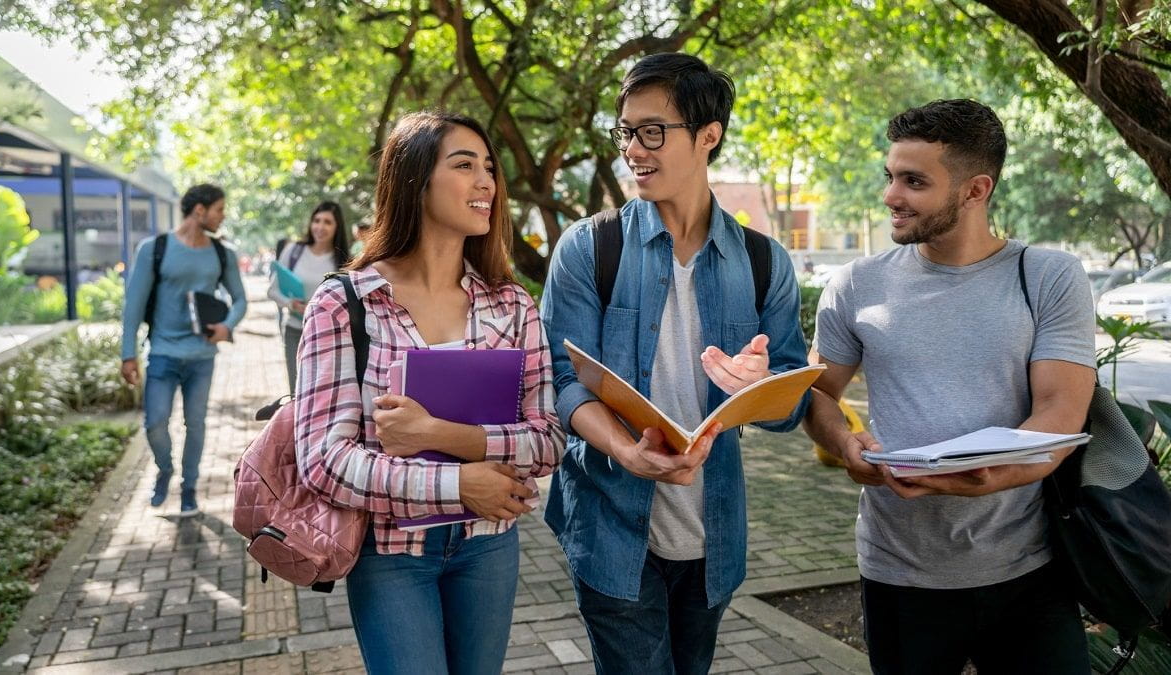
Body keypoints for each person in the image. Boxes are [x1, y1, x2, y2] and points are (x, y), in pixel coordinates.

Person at [540, 53, 810, 675]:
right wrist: (627, 451)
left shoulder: (765, 263)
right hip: (610, 524)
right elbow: (558, 380)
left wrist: (762, 387)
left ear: (708, 135)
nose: (634, 148)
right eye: (626, 132)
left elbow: (790, 407)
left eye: (652, 131)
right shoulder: (589, 247)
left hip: (712, 536)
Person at [804, 99, 1095, 674]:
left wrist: (990, 476)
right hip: (899, 571)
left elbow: (1061, 412)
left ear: (974, 189)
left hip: (1028, 571)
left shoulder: (1048, 277)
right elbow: (816, 393)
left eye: (914, 181)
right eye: (890, 176)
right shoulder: (857, 283)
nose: (891, 195)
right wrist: (844, 444)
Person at [294, 111, 565, 675]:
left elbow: (548, 441)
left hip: (488, 545)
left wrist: (440, 436)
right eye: (464, 165)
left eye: (489, 167)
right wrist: (459, 482)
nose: (486, 182)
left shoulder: (511, 304)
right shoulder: (345, 304)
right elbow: (323, 461)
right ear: (414, 180)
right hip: (391, 554)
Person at [121, 183, 248, 516]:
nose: (223, 216)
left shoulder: (223, 253)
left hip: (202, 357)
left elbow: (240, 299)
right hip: (162, 352)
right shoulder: (155, 248)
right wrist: (127, 353)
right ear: (200, 210)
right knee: (155, 423)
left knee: (196, 423)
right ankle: (164, 469)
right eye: (219, 209)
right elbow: (133, 305)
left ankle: (189, 487)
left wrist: (227, 326)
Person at [267, 201, 352, 392]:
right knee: (297, 393)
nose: (320, 227)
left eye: (328, 222)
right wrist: (291, 304)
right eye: (317, 220)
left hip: (329, 336)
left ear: (337, 227)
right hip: (295, 331)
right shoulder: (294, 251)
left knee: (324, 393)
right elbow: (272, 290)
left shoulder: (344, 260)